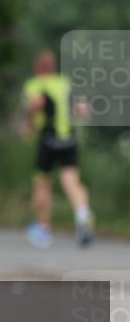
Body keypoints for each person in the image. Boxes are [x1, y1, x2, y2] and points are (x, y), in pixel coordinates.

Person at [22, 49, 94, 248]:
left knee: (42, 184)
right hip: (70, 139)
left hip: (48, 140)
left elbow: (35, 106)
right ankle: (82, 215)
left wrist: (28, 122)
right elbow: (82, 109)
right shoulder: (65, 82)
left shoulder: (35, 85)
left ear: (37, 67)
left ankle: (43, 229)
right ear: (53, 67)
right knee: (71, 181)